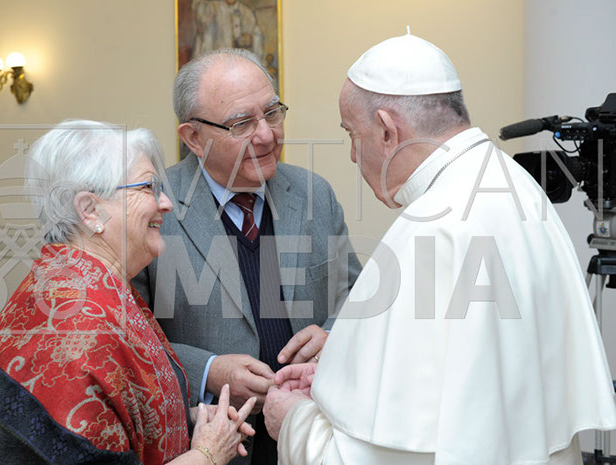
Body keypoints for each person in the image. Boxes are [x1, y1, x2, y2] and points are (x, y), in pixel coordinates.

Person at [263, 32, 616, 464]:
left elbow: (382, 456)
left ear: (387, 130)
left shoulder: (432, 230)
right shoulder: (514, 183)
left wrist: (294, 420)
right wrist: (336, 369)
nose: (354, 156)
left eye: (352, 134)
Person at [132, 48, 361, 464]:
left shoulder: (315, 194)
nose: (267, 135)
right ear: (193, 138)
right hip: (211, 443)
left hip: (311, 434)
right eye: (242, 124)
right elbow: (128, 339)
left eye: (272, 113)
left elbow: (355, 296)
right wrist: (207, 371)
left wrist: (332, 335)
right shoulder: (152, 209)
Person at [0, 120, 257, 465]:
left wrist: (189, 419)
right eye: (148, 188)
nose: (166, 203)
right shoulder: (77, 326)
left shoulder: (84, 284)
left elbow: (116, 418)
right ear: (90, 210)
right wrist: (209, 453)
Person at [192, 0, 265, 61]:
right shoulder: (210, 7)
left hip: (238, 64)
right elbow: (201, 24)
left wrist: (251, 39)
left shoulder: (247, 12)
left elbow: (257, 36)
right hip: (215, 62)